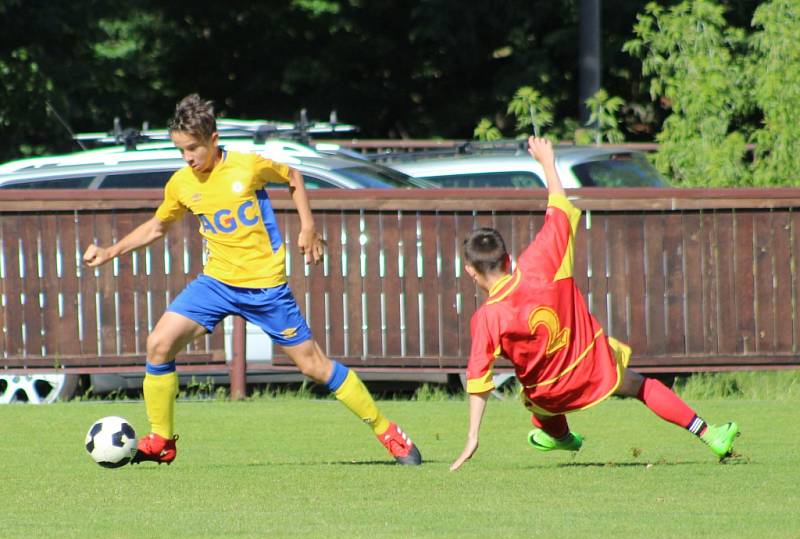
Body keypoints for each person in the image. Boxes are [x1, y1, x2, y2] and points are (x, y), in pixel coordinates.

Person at [83, 94, 421, 466]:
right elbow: (158, 226)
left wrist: (308, 226)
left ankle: (386, 431)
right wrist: (110, 251)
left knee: (314, 366)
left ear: (213, 140)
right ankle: (162, 439)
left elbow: (293, 175)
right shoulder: (181, 184)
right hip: (216, 284)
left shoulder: (247, 166)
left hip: (265, 288)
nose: (187, 157)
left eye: (193, 148)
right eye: (180, 150)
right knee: (159, 344)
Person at [450, 136, 738, 471]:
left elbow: (478, 381)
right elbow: (558, 206)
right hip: (591, 368)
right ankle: (710, 434)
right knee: (641, 386)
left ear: (470, 271)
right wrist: (547, 161)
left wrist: (473, 436)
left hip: (548, 395)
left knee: (537, 403)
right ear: (508, 258)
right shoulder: (542, 262)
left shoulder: (487, 317)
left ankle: (561, 438)